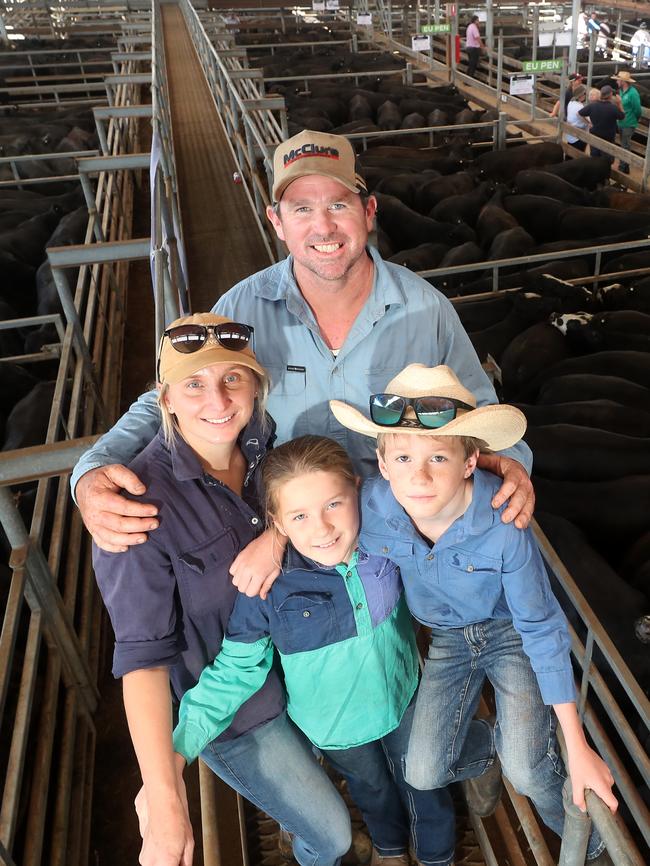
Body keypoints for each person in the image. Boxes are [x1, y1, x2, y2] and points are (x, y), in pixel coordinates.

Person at [72, 130, 534, 590]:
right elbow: (175, 396)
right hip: (288, 544)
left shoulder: (426, 309)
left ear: (368, 212)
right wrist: (92, 469)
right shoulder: (240, 310)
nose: (324, 227)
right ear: (277, 221)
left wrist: (509, 461)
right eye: (302, 209)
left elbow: (478, 408)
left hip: (406, 539)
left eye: (338, 205)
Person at [92, 313, 356, 866]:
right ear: (164, 398)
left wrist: (277, 534)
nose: (217, 399)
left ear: (256, 385)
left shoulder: (265, 446)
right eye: (194, 384)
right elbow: (143, 659)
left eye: (233, 378)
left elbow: (303, 508)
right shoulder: (137, 508)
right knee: (332, 835)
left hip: (304, 656)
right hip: (236, 704)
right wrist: (163, 794)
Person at [330, 364, 619, 862]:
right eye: (402, 455)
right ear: (382, 460)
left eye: (438, 456)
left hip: (509, 633)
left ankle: (593, 850)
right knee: (422, 771)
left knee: (529, 771)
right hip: (446, 639)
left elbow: (541, 627)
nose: (418, 476)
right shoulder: (373, 505)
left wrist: (576, 743)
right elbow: (320, 527)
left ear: (471, 462)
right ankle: (491, 751)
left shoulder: (506, 523)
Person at [173, 435, 458, 866]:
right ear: (277, 523)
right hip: (335, 727)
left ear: (358, 491)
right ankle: (392, 848)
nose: (321, 528)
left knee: (425, 779)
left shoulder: (385, 542)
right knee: (371, 788)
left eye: (333, 504)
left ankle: (438, 856)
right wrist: (176, 751)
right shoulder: (266, 587)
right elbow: (237, 669)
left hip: (403, 695)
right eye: (300, 515)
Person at [578, 84, 625, 160]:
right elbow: (622, 116)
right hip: (608, 138)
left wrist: (588, 123)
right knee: (607, 160)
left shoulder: (593, 105)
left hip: (595, 135)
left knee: (594, 158)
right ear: (610, 95)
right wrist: (619, 103)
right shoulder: (613, 108)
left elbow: (579, 113)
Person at [613, 69, 642, 173]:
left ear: (623, 82)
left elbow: (638, 109)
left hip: (629, 123)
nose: (616, 82)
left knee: (625, 144)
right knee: (624, 143)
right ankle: (625, 167)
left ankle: (622, 167)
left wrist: (635, 119)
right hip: (621, 122)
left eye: (618, 80)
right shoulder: (621, 91)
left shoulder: (633, 93)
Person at [566, 83, 590, 150]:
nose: (585, 96)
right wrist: (589, 123)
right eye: (584, 94)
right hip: (579, 136)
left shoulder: (571, 103)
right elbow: (587, 120)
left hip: (570, 134)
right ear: (581, 95)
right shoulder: (580, 107)